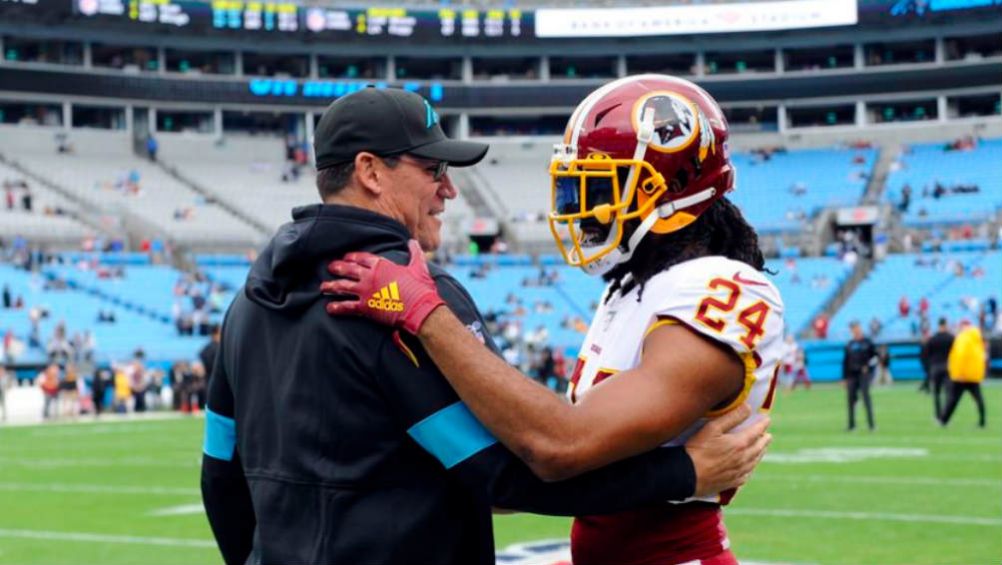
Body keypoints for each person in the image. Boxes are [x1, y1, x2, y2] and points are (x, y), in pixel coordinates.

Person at [201, 87, 769, 565]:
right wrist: (682, 472)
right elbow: (508, 473)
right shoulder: (410, 294)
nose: (449, 189)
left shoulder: (247, 303)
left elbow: (219, 475)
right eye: (433, 170)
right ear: (370, 171)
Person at [940, 320, 987, 428]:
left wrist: (958, 373)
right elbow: (981, 358)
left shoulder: (963, 338)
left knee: (953, 399)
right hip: (973, 376)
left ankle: (944, 420)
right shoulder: (977, 338)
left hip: (962, 376)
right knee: (978, 399)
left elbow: (960, 356)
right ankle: (982, 421)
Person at [843, 320, 877, 431]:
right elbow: (845, 362)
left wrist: (868, 367)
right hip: (852, 375)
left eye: (856, 328)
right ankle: (851, 425)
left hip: (864, 375)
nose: (855, 330)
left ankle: (871, 424)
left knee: (866, 397)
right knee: (851, 399)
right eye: (853, 329)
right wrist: (844, 378)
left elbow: (875, 357)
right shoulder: (850, 344)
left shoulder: (868, 342)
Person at [924, 317, 955, 420]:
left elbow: (926, 353)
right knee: (948, 392)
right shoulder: (951, 338)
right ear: (946, 324)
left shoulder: (933, 339)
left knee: (936, 393)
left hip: (935, 367)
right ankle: (945, 415)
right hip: (948, 367)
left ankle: (938, 415)